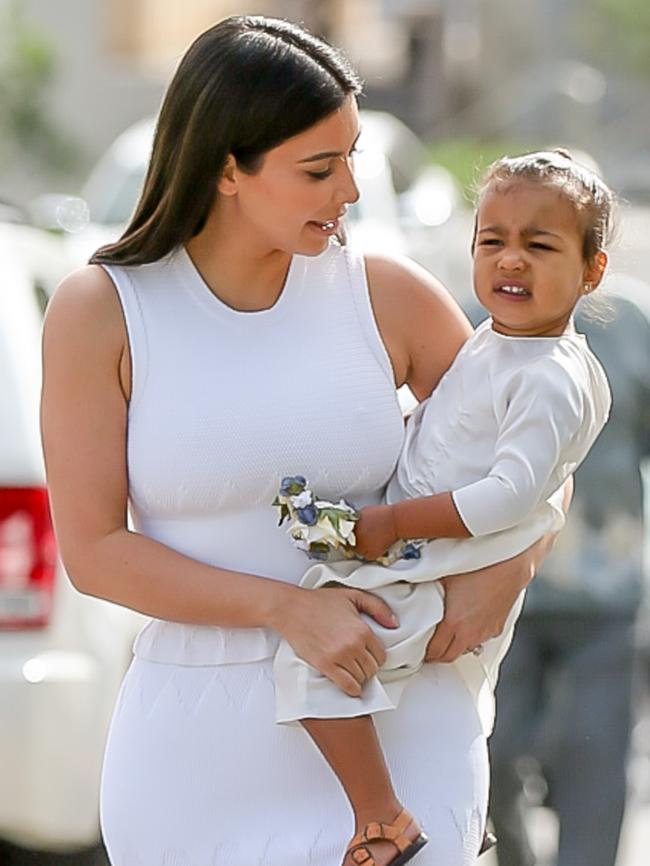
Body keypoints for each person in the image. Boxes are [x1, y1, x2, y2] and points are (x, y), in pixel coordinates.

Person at [40, 16, 563, 866]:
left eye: (352, 157)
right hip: (197, 738)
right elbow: (95, 552)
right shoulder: (100, 312)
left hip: (397, 710)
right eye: (319, 169)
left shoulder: (385, 295)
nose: (350, 190)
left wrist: (506, 575)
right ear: (225, 167)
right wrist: (287, 607)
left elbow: (542, 449)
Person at [273, 149, 613, 866]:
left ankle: (384, 819)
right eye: (493, 241)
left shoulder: (549, 376)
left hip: (431, 569)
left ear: (593, 271)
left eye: (539, 245)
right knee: (303, 532)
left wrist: (395, 522)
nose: (511, 261)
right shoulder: (499, 342)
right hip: (414, 548)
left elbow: (511, 493)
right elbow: (448, 424)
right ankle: (457, 796)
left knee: (316, 666)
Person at [488, 270, 650, 866]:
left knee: (595, 761)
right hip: (501, 590)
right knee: (491, 753)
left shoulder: (632, 325)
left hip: (604, 590)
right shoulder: (478, 321)